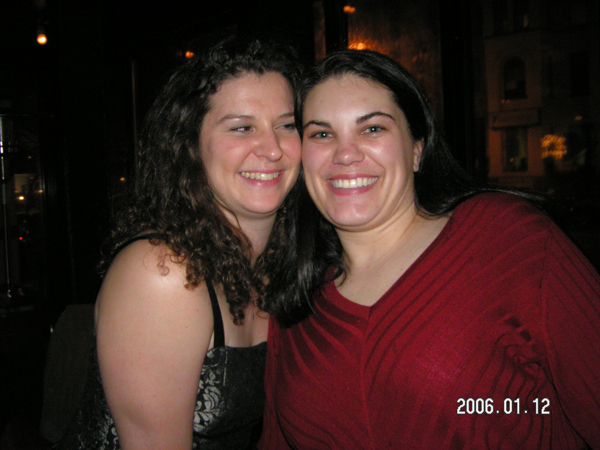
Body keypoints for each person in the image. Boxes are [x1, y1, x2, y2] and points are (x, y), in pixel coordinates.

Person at [259, 49, 600, 449]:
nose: (345, 153)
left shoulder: (506, 238)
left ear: (417, 148)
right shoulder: (295, 302)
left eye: (372, 129)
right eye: (321, 134)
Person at [56, 37, 302, 450]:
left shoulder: (281, 260)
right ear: (190, 145)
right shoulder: (163, 273)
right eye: (242, 127)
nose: (273, 149)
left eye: (287, 125)